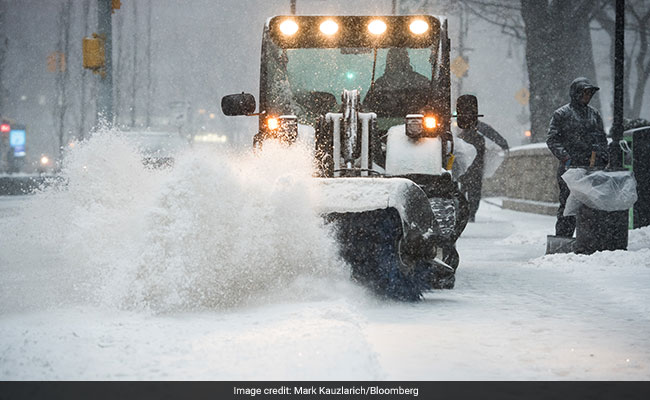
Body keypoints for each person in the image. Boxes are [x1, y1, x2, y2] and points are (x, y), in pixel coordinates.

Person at [546, 77, 609, 238]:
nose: (587, 96)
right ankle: (563, 238)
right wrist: (566, 157)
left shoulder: (594, 114)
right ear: (576, 93)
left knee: (591, 205)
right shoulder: (561, 114)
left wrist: (602, 156)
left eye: (589, 93)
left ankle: (588, 239)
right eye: (584, 93)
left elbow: (601, 139)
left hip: (591, 167)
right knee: (568, 205)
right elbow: (552, 139)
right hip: (570, 168)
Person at [458, 121, 509, 222]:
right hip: (476, 168)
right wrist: (503, 144)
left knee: (463, 190)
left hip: (466, 168)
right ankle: (471, 213)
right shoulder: (479, 133)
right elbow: (493, 136)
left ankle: (464, 212)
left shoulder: (461, 136)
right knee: (474, 191)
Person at [363, 48, 430, 117]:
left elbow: (367, 108)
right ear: (408, 60)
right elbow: (367, 109)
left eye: (398, 61)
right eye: (393, 60)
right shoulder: (421, 81)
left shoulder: (380, 84)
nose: (396, 64)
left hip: (416, 125)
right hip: (385, 125)